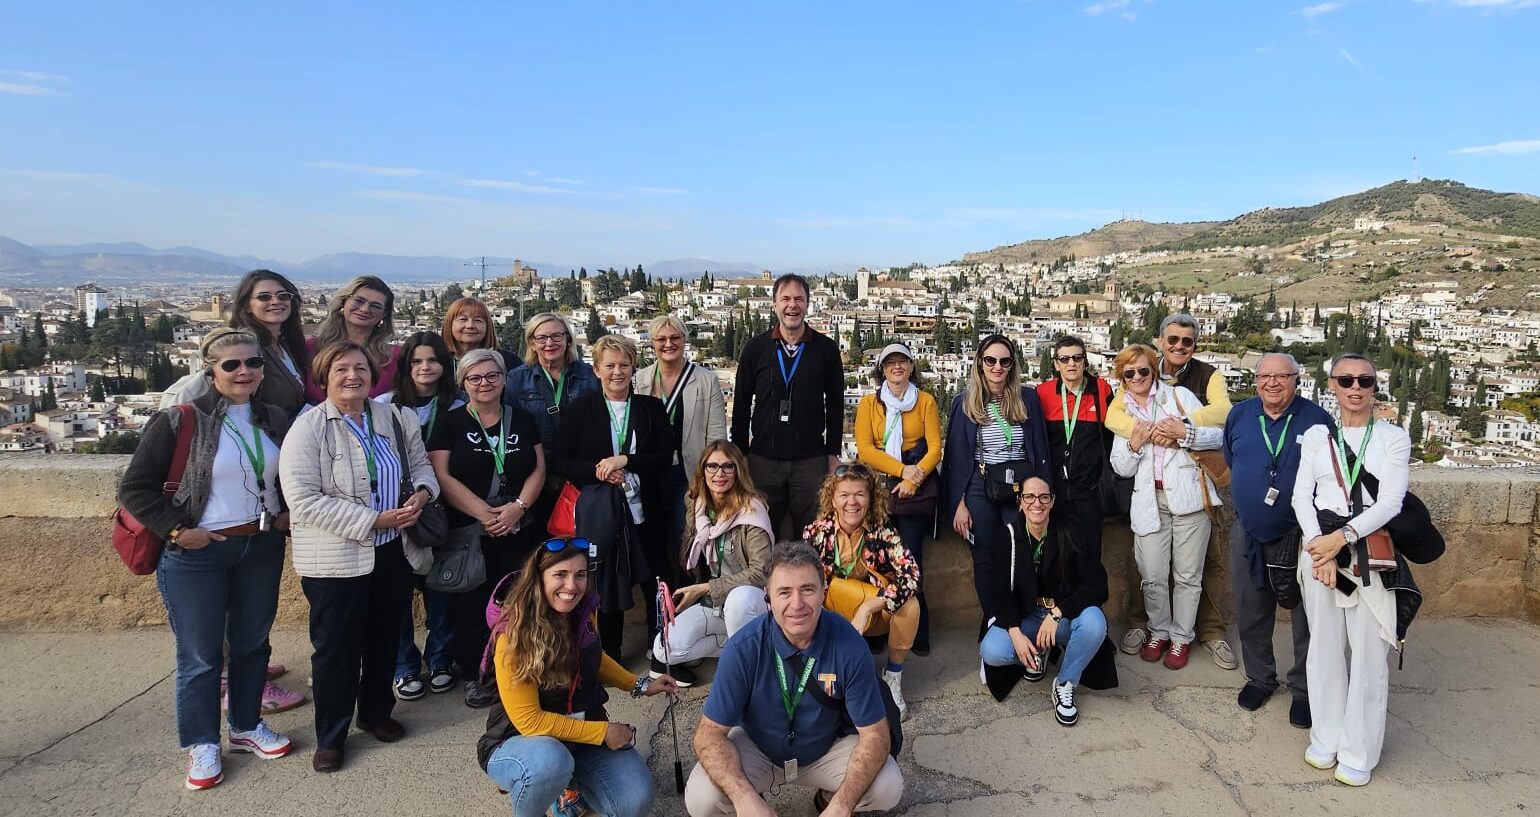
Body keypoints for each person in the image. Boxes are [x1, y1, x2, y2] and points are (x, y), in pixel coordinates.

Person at [119, 328, 296, 790]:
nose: (244, 372)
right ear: (210, 371)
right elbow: (134, 488)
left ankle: (244, 726)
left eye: (252, 363)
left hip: (259, 545)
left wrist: (285, 514)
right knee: (200, 655)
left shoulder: (273, 417)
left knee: (252, 644)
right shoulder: (179, 421)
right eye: (231, 365)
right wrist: (178, 530)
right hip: (197, 552)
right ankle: (201, 742)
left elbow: (288, 475)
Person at [279, 341, 439, 773]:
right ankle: (331, 735)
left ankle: (375, 713)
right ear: (323, 377)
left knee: (385, 638)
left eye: (361, 369)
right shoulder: (309, 428)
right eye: (341, 369)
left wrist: (423, 494)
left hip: (393, 551)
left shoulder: (395, 417)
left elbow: (421, 466)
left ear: (373, 375)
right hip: (336, 559)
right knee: (336, 649)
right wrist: (373, 520)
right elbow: (302, 499)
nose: (353, 376)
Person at [685, 542, 904, 816]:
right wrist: (744, 800)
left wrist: (842, 804)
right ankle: (754, 800)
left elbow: (875, 735)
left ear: (824, 592)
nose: (797, 604)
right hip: (759, 749)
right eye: (784, 592)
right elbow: (708, 736)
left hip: (826, 748)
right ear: (768, 597)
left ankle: (827, 798)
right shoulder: (743, 648)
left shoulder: (850, 645)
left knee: (888, 786)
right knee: (700, 798)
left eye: (807, 590)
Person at [478, 539, 678, 817]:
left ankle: (568, 784)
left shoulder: (581, 611)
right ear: (538, 578)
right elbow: (529, 721)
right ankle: (536, 782)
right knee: (549, 764)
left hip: (578, 733)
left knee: (634, 802)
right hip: (521, 740)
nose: (572, 586)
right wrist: (603, 732)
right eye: (560, 575)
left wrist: (640, 685)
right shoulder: (513, 637)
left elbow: (594, 657)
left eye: (580, 575)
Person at [1292, 353, 1410, 787]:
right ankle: (1326, 738)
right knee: (1322, 647)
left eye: (1364, 380)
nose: (1356, 387)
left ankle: (1359, 751)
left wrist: (1339, 541)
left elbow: (1391, 502)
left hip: (1366, 555)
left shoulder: (1393, 439)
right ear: (1333, 386)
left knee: (1368, 653)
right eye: (1346, 380)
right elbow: (1301, 496)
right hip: (1320, 551)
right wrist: (1318, 551)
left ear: (1375, 386)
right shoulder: (1317, 436)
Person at [1105, 314, 1237, 671]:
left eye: (1143, 372)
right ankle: (1158, 630)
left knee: (1188, 575)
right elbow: (1121, 468)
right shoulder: (1124, 412)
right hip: (1149, 502)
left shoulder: (1181, 397)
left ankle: (1181, 638)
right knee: (1151, 573)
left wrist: (1185, 433)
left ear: (1154, 371)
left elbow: (1221, 436)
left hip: (1190, 500)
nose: (1137, 379)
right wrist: (1133, 445)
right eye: (1129, 374)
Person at [428, 348, 546, 708]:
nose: (484, 383)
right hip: (468, 531)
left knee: (519, 602)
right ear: (463, 383)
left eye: (492, 376)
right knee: (471, 606)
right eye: (475, 378)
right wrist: (485, 513)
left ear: (504, 379)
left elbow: (538, 468)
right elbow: (440, 475)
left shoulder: (522, 418)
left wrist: (517, 508)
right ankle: (477, 675)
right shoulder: (449, 423)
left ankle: (518, 670)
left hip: (517, 526)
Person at [1223, 353, 1333, 728]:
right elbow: (1231, 458)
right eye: (1265, 376)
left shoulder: (1317, 420)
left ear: (1296, 380)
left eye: (1281, 376)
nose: (1272, 383)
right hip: (1248, 531)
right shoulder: (1240, 415)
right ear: (1255, 381)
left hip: (1302, 536)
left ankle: (1303, 689)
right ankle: (1259, 678)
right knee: (1250, 608)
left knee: (1305, 615)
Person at [549, 334, 673, 658]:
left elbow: (664, 456)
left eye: (624, 365)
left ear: (634, 368)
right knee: (607, 582)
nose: (617, 372)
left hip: (646, 509)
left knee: (656, 581)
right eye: (610, 366)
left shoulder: (650, 408)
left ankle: (660, 647)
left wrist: (626, 461)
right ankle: (611, 654)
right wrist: (598, 469)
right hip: (603, 513)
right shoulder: (580, 410)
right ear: (596, 369)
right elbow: (560, 460)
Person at [979, 477, 1110, 727]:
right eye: (1029, 497)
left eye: (1043, 497)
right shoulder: (1006, 536)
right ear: (1020, 502)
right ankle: (1038, 651)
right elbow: (999, 593)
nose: (1036, 503)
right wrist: (1015, 632)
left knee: (1094, 623)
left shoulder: (1071, 531)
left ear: (1052, 502)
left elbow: (1097, 585)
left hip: (1061, 618)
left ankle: (1064, 681)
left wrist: (1059, 612)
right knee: (992, 651)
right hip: (1026, 618)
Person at [378, 331, 463, 702]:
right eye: (417, 361)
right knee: (395, 594)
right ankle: (404, 665)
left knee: (440, 589)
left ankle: (441, 659)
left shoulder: (459, 406)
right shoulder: (383, 406)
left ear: (444, 365)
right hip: (398, 510)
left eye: (433, 360)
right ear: (406, 366)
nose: (425, 368)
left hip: (443, 510)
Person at [802, 463, 922, 720]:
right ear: (832, 499)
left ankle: (893, 677)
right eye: (844, 495)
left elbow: (911, 575)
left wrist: (869, 607)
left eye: (859, 494)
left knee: (910, 605)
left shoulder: (883, 529)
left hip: (871, 611)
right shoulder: (816, 532)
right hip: (830, 610)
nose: (851, 503)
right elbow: (801, 580)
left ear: (870, 498)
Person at [942, 334, 1051, 615]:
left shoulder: (1027, 398)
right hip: (982, 483)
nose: (997, 367)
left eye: (1004, 361)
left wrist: (1041, 493)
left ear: (1012, 365)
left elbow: (1039, 448)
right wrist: (958, 503)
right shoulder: (965, 402)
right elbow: (954, 456)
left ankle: (1026, 619)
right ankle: (995, 621)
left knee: (1022, 553)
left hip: (1021, 483)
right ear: (980, 364)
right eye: (990, 360)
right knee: (985, 557)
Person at [651, 440, 772, 687]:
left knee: (740, 600)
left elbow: (762, 572)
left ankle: (746, 674)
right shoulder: (699, 507)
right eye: (712, 466)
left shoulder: (752, 510)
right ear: (703, 470)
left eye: (728, 467)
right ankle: (750, 647)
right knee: (664, 649)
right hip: (716, 605)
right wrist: (696, 524)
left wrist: (704, 588)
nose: (720, 474)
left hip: (752, 602)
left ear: (738, 471)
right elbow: (687, 562)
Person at [731, 274, 844, 537]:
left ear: (807, 304)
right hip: (763, 460)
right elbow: (741, 404)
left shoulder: (825, 349)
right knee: (762, 531)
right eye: (786, 299)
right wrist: (741, 453)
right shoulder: (756, 348)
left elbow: (836, 404)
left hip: (810, 460)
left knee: (810, 533)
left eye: (798, 299)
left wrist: (832, 452)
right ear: (774, 304)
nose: (792, 305)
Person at [854, 342, 941, 655]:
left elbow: (934, 449)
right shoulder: (868, 404)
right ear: (882, 369)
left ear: (911, 366)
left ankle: (918, 628)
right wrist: (903, 471)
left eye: (902, 361)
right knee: (877, 559)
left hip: (914, 489)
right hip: (879, 487)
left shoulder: (926, 402)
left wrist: (912, 480)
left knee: (911, 558)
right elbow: (865, 450)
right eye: (890, 363)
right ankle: (879, 627)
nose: (896, 367)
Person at [635, 315, 729, 567]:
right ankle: (660, 595)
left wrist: (711, 475)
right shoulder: (640, 379)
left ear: (685, 340)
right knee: (653, 536)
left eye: (675, 337)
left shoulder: (705, 380)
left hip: (689, 473)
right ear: (652, 343)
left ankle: (683, 594)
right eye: (661, 339)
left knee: (684, 535)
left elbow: (717, 434)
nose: (668, 344)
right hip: (650, 472)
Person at [503, 312, 600, 524]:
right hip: (536, 477)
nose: (550, 343)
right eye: (542, 338)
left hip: (580, 475)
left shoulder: (590, 376)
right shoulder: (517, 379)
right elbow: (511, 428)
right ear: (531, 343)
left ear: (568, 339)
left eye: (556, 336)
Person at [1034, 335, 1114, 553]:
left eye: (1077, 358)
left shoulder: (1101, 390)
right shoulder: (1043, 393)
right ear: (1056, 364)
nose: (1071, 363)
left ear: (1085, 362)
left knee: (1089, 557)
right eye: (1065, 359)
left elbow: (1112, 437)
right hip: (1053, 491)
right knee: (1053, 555)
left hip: (1088, 491)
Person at [304, 276, 401, 404]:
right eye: (359, 301)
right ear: (343, 302)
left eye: (375, 306)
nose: (365, 309)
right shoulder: (310, 348)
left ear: (384, 315)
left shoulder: (394, 357)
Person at [228, 269, 310, 417]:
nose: (276, 301)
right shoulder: (247, 350)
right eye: (264, 297)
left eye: (283, 296)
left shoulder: (284, 346)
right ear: (247, 306)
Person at [441, 296, 522, 374]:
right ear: (449, 324)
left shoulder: (510, 363)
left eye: (477, 320)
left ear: (487, 326)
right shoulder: (438, 362)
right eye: (463, 319)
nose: (470, 325)